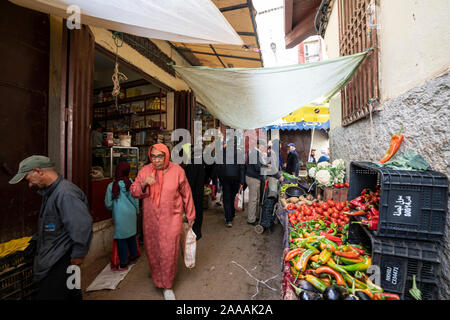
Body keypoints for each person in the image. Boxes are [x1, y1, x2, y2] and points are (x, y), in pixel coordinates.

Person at [8, 155, 93, 300]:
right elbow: (49, 223)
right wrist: (35, 242)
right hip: (58, 258)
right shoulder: (50, 193)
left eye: (28, 180)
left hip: (62, 261)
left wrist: (78, 254)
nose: (29, 185)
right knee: (72, 295)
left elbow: (81, 226)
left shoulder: (65, 194)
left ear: (39, 171)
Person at [130, 143, 195, 300]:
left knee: (168, 251)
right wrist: (144, 183)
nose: (156, 160)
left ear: (166, 156)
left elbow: (187, 194)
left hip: (172, 219)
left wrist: (191, 215)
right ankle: (157, 275)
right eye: (153, 156)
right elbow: (133, 191)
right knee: (153, 250)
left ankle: (167, 286)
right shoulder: (145, 171)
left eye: (160, 156)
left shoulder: (177, 171)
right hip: (150, 221)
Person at [105, 161, 140, 271]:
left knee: (121, 239)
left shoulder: (112, 186)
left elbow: (108, 203)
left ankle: (123, 263)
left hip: (119, 215)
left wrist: (114, 208)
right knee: (131, 236)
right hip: (131, 214)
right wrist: (137, 211)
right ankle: (134, 257)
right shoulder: (130, 183)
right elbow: (135, 199)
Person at [216, 139, 245, 228]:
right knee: (232, 196)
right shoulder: (239, 153)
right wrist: (242, 181)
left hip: (225, 178)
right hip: (235, 178)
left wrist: (220, 179)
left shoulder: (221, 152)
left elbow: (218, 167)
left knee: (227, 198)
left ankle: (228, 219)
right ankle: (231, 214)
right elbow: (242, 167)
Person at [181, 143, 206, 239]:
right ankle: (197, 231)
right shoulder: (198, 160)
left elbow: (190, 182)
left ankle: (195, 232)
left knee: (194, 211)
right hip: (198, 191)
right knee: (198, 210)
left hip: (193, 192)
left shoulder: (192, 163)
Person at [245, 140, 269, 225]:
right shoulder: (255, 153)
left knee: (256, 198)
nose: (264, 149)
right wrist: (267, 167)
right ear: (259, 146)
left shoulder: (256, 153)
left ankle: (254, 216)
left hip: (254, 178)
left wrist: (266, 166)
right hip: (253, 179)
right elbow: (257, 167)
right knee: (253, 199)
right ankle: (251, 219)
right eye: (263, 147)